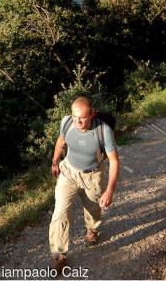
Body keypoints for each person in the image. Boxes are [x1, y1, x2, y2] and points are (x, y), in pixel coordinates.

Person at [49, 96, 120, 271]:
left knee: (93, 209)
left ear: (92, 114)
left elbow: (114, 161)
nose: (78, 121)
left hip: (92, 176)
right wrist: (55, 161)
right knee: (60, 213)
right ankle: (59, 255)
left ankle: (92, 229)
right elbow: (61, 140)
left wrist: (109, 191)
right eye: (75, 116)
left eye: (82, 117)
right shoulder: (67, 122)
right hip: (69, 173)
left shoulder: (103, 131)